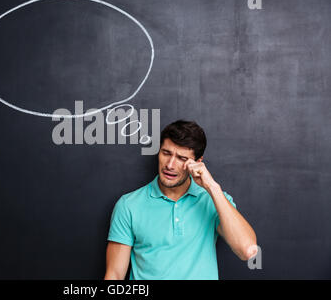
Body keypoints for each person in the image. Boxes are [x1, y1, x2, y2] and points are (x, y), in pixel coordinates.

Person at [104, 119, 257, 280]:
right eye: (166, 153)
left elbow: (247, 250)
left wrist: (212, 187)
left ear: (197, 163)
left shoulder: (214, 201)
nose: (170, 165)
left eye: (182, 158)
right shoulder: (129, 205)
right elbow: (114, 275)